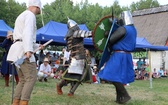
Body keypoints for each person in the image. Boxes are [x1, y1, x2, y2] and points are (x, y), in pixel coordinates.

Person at [7, 0, 43, 104]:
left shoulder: (22, 15)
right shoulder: (30, 16)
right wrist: (28, 50)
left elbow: (21, 36)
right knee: (31, 78)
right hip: (23, 50)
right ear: (37, 7)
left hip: (18, 49)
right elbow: (27, 33)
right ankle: (23, 103)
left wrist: (36, 46)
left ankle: (16, 102)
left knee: (23, 79)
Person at [98, 11, 137, 104]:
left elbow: (111, 40)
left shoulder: (124, 29)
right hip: (126, 56)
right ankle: (120, 98)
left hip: (119, 55)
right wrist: (115, 26)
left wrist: (108, 33)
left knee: (109, 74)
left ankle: (125, 95)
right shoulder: (133, 29)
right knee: (117, 77)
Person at [56, 18, 92, 96]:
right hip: (77, 58)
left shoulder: (68, 37)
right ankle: (59, 86)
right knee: (70, 76)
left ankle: (71, 92)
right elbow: (89, 33)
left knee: (81, 77)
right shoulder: (76, 33)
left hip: (78, 58)